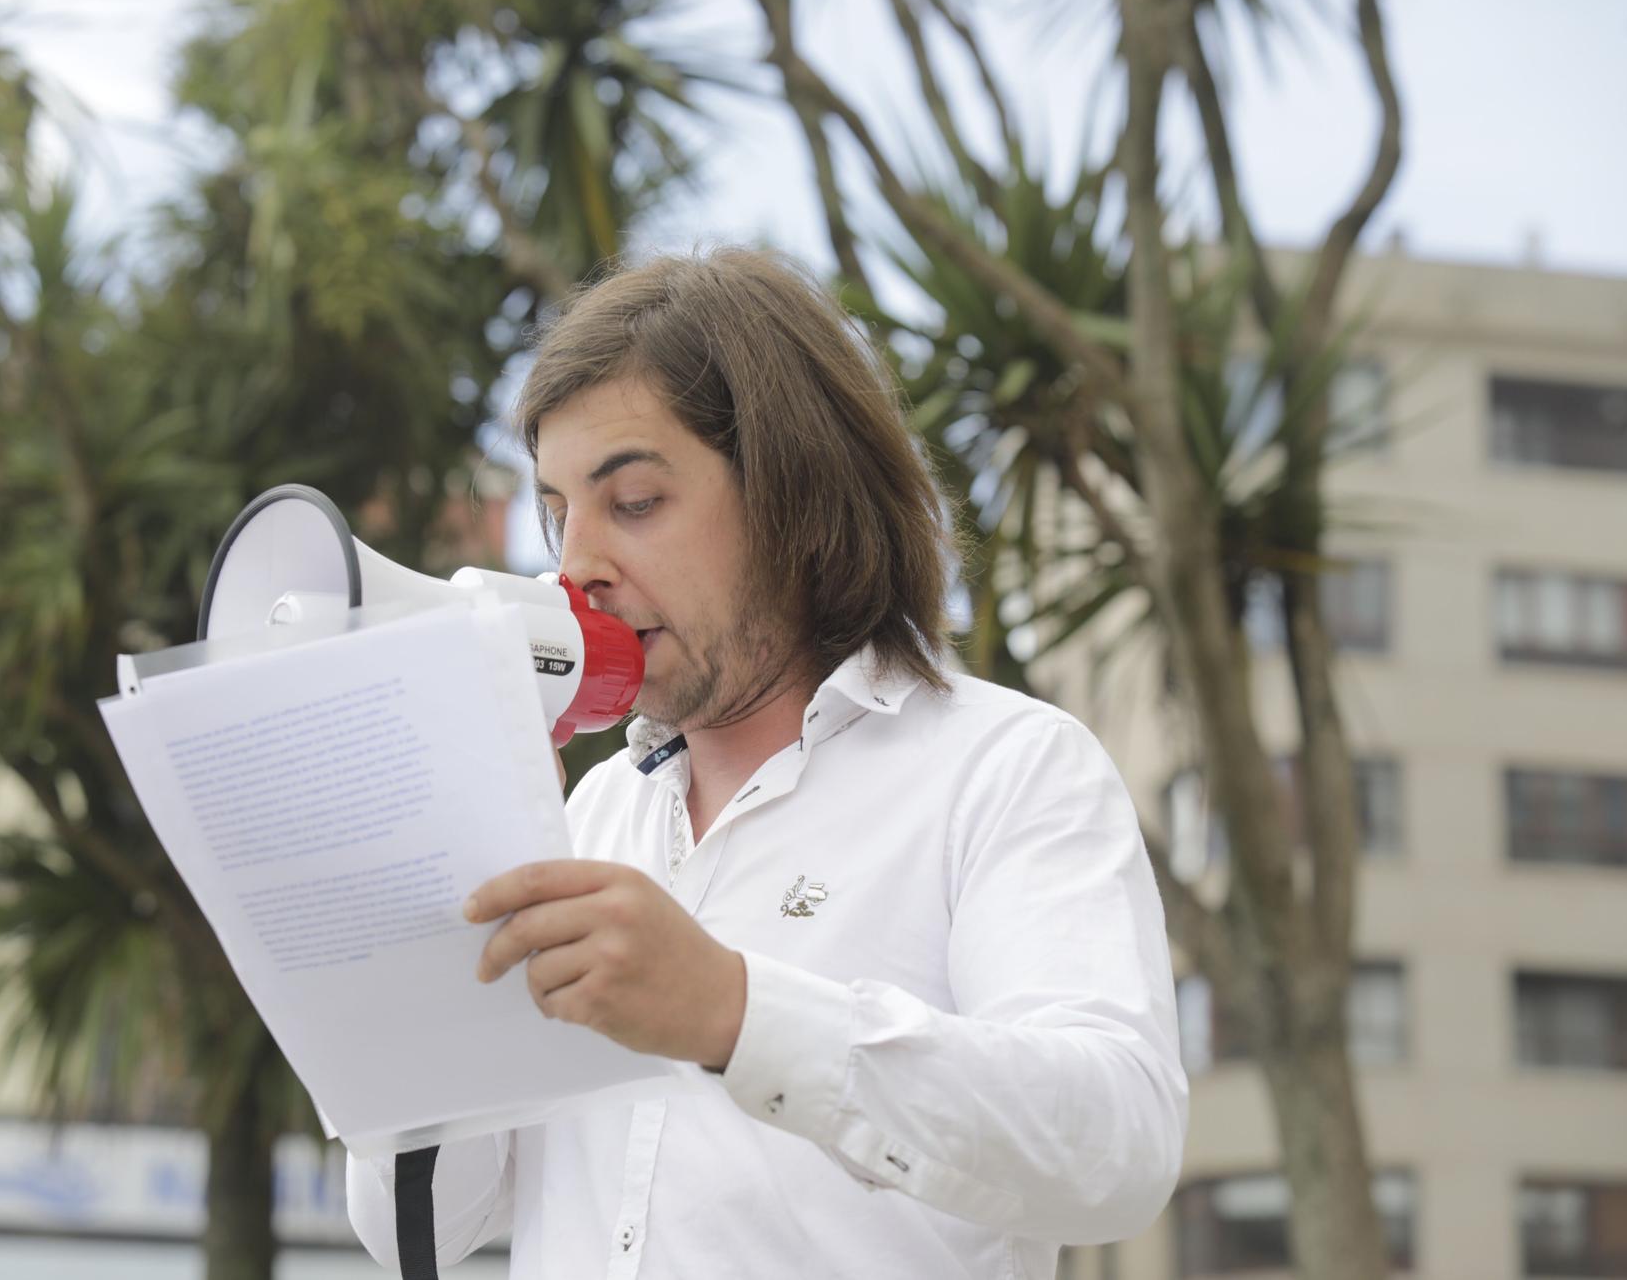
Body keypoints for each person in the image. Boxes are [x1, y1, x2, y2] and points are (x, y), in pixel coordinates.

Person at [346, 248, 1187, 1278]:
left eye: (636, 501)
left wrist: (735, 1013)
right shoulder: (587, 815)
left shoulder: (1005, 768)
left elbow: (1117, 1144)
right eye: (559, 511)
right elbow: (414, 1231)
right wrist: (419, 905)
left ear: (794, 499)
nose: (575, 568)